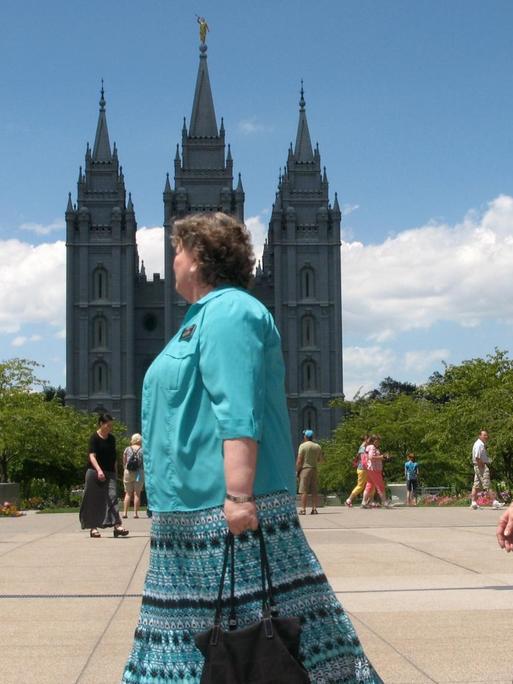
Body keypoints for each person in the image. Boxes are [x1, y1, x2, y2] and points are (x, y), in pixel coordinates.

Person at [122, 212, 382, 683]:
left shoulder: (231, 312)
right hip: (185, 520)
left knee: (267, 645)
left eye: (177, 250)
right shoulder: (196, 321)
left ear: (199, 258)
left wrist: (239, 497)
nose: (172, 259)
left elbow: (237, 406)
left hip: (227, 517)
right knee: (192, 653)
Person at [79, 413, 129, 538]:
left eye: (111, 425)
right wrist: (99, 470)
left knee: (112, 497)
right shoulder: (94, 438)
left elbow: (113, 457)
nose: (110, 428)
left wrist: (116, 472)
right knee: (92, 499)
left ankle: (117, 525)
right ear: (101, 424)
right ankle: (93, 528)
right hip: (94, 472)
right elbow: (92, 456)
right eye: (108, 425)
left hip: (109, 473)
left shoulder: (112, 439)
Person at [470, 430, 504, 510]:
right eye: (484, 435)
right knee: (487, 484)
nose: (486, 437)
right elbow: (477, 457)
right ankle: (495, 502)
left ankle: (473, 503)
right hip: (480, 466)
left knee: (476, 485)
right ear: (480, 436)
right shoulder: (479, 444)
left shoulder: (478, 444)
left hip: (477, 466)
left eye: (486, 435)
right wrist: (482, 466)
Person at [296, 429, 324, 515]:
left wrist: (297, 470)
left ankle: (303, 509)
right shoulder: (317, 446)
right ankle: (314, 509)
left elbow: (299, 460)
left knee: (303, 490)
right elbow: (321, 460)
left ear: (305, 437)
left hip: (305, 469)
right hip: (314, 469)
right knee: (314, 490)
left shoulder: (302, 446)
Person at [361, 435, 390, 509]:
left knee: (369, 485)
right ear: (375, 441)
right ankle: (384, 502)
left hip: (370, 469)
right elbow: (371, 457)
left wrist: (381, 457)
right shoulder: (372, 447)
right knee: (380, 485)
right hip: (374, 469)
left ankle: (364, 502)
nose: (379, 442)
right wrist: (381, 457)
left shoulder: (369, 447)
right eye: (378, 441)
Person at [346, 434, 373, 507]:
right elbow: (364, 459)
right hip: (363, 469)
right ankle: (349, 500)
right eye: (370, 439)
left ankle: (368, 501)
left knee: (371, 484)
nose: (371, 441)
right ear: (366, 439)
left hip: (364, 468)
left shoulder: (364, 447)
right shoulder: (363, 447)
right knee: (360, 486)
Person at [122, 433, 144, 519]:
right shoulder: (142, 450)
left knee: (128, 493)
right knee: (137, 494)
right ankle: (135, 513)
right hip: (139, 472)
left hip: (128, 472)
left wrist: (125, 467)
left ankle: (125, 513)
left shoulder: (127, 449)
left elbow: (124, 460)